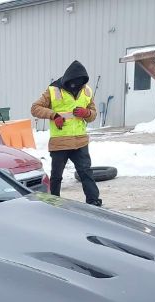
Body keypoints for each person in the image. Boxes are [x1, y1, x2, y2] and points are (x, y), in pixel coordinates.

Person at [31, 60, 102, 206]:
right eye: (74, 82)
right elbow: (35, 108)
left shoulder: (87, 90)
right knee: (56, 176)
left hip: (80, 141)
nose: (77, 85)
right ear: (68, 79)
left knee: (86, 173)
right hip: (60, 142)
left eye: (80, 82)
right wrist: (54, 115)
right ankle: (53, 202)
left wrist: (87, 112)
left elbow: (94, 114)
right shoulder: (53, 90)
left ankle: (94, 202)